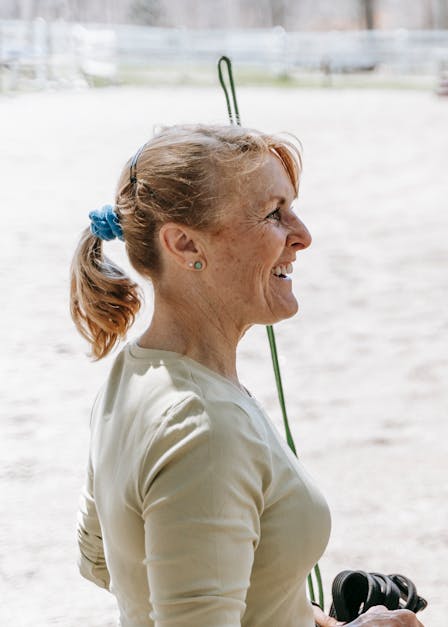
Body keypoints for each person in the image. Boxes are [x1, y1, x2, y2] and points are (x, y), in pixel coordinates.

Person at [70, 124, 422, 627]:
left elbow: (103, 562)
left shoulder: (133, 374)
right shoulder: (203, 426)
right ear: (185, 243)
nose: (302, 235)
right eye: (273, 214)